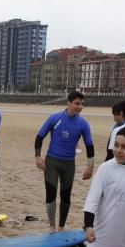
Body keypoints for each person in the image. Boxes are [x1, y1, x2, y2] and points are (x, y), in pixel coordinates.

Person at [35, 91, 95, 233]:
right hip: (52, 162)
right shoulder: (55, 118)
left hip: (69, 164)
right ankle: (52, 226)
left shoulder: (83, 123)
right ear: (68, 103)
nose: (80, 107)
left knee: (66, 195)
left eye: (82, 104)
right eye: (77, 103)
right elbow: (39, 136)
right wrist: (37, 156)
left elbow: (89, 145)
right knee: (51, 192)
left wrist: (90, 166)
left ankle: (61, 227)